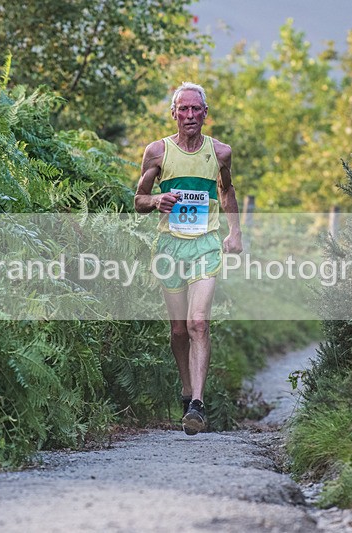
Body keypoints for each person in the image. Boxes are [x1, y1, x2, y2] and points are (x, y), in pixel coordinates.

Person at [134, 82, 243, 435]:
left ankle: (197, 403)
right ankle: (185, 390)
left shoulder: (221, 152)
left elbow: (226, 190)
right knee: (179, 328)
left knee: (198, 322)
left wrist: (234, 232)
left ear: (206, 113)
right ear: (174, 113)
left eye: (196, 109)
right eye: (184, 109)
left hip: (206, 245)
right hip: (169, 247)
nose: (190, 115)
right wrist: (156, 202)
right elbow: (138, 200)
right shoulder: (157, 152)